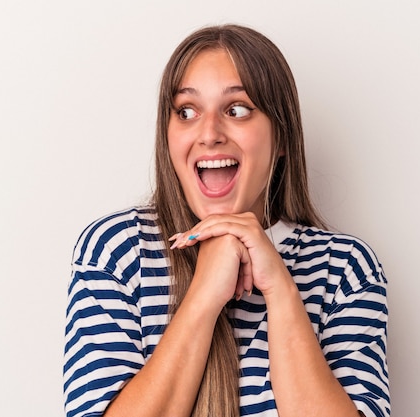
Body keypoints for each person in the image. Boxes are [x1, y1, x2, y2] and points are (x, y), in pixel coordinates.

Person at [64, 24, 389, 417]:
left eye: (237, 110)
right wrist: (203, 297)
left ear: (282, 136)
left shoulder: (346, 269)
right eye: (187, 111)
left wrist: (281, 291)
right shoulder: (118, 252)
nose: (209, 133)